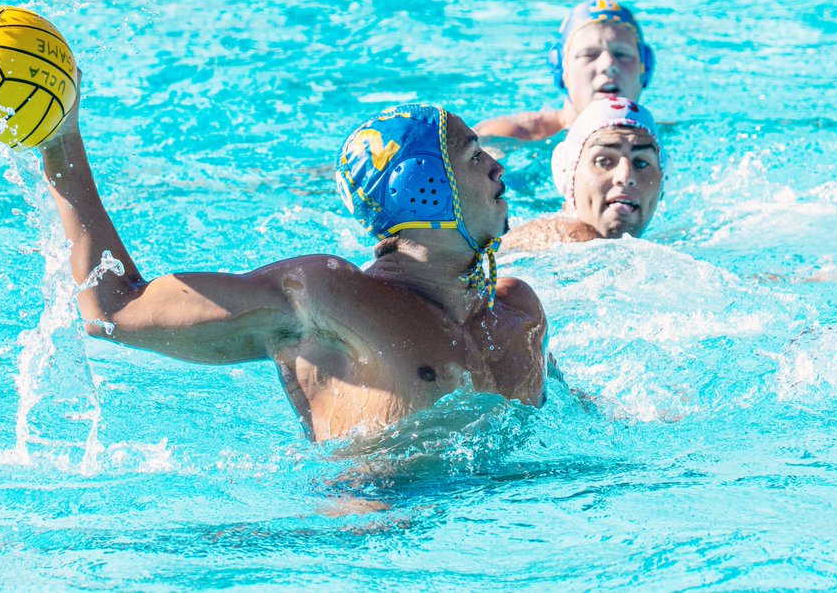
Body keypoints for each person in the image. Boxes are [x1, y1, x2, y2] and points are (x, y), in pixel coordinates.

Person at [39, 81, 547, 443]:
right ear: (423, 190)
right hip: (369, 541)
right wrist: (61, 142)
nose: (499, 165)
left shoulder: (519, 312)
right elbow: (114, 309)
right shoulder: (326, 298)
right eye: (474, 155)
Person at [475, 0, 656, 142]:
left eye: (622, 54)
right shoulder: (504, 137)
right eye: (589, 55)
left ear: (645, 69)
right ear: (561, 70)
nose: (608, 65)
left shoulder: (658, 137)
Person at [502, 97, 663, 250]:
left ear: (663, 180)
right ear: (568, 174)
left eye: (642, 163)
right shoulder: (554, 243)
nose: (625, 177)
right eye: (603, 161)